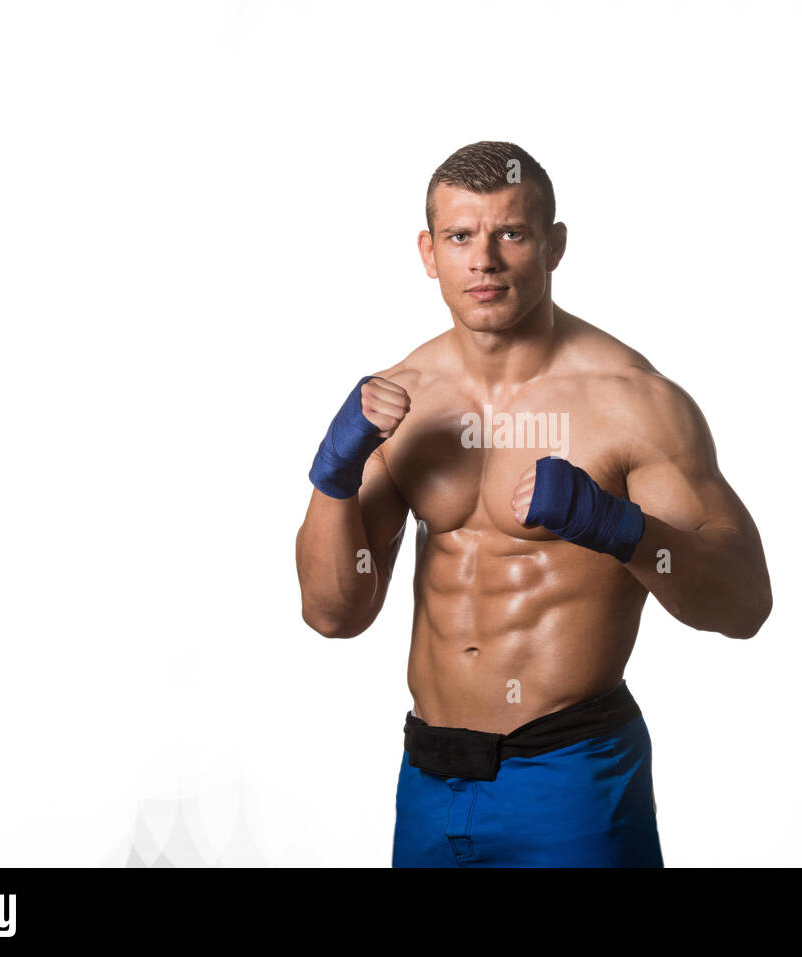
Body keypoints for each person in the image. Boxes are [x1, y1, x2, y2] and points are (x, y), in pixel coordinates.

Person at [294, 141, 772, 867]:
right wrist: (332, 479)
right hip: (428, 778)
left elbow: (745, 605)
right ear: (429, 252)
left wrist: (619, 526)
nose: (483, 260)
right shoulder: (403, 398)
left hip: (570, 779)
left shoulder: (632, 404)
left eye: (510, 233)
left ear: (554, 245)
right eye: (460, 237)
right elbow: (335, 613)